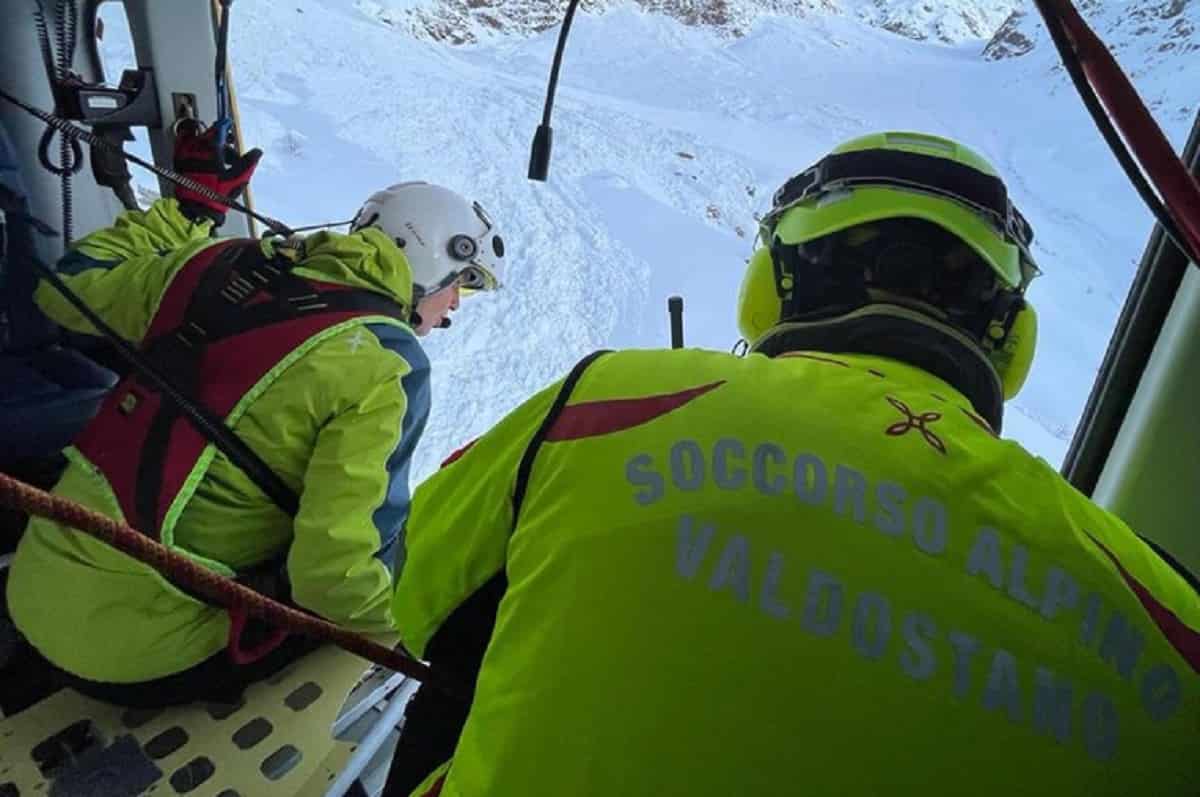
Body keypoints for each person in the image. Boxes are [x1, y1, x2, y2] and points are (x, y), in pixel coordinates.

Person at [383, 131, 1200, 795]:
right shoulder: (1174, 626)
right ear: (1012, 342)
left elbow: (413, 596)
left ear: (767, 293)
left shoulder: (608, 403)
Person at [5, 122, 503, 707]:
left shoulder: (219, 265)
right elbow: (333, 580)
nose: (451, 312)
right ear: (430, 263)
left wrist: (189, 211)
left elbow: (68, 286)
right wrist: (415, 634)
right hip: (130, 651)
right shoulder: (383, 365)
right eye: (459, 289)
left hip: (35, 577)